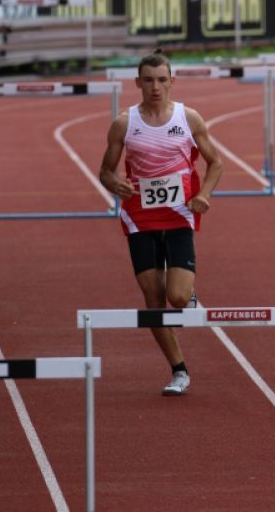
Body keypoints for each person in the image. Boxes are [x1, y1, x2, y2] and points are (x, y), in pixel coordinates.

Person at [98, 50, 223, 396]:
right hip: (139, 219)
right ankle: (179, 370)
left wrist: (205, 195)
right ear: (138, 83)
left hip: (180, 215)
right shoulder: (125, 123)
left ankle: (188, 294)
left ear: (172, 82)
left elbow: (216, 163)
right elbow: (105, 172)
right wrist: (116, 185)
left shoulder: (189, 118)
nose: (156, 87)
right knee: (153, 300)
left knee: (178, 298)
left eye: (162, 80)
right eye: (149, 81)